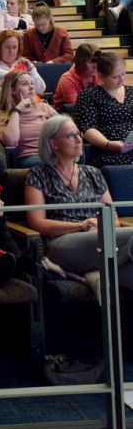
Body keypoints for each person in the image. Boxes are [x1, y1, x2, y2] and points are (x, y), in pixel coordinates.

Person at [25, 116, 133, 296]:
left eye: (78, 134)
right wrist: (81, 225)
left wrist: (98, 224)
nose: (79, 139)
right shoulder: (38, 175)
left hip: (98, 241)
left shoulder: (93, 173)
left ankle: (96, 278)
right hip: (61, 245)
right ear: (53, 144)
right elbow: (37, 223)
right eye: (70, 136)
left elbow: (114, 220)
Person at [73, 51, 133, 168]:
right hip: (109, 151)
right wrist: (108, 144)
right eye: (115, 76)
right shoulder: (89, 96)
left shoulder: (131, 91)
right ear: (101, 75)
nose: (121, 80)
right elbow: (87, 128)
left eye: (123, 74)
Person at [0, 70, 57, 168]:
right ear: (12, 90)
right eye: (25, 84)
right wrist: (17, 111)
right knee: (54, 163)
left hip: (53, 152)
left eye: (32, 83)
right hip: (28, 157)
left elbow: (64, 128)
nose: (31, 87)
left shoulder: (44, 107)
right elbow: (11, 143)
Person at [0, 30, 46, 101]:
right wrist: (10, 75)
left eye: (15, 47)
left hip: (25, 103)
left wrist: (31, 70)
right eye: (7, 47)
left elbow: (40, 90)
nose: (11, 51)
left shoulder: (24, 63)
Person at [53, 43, 99, 111]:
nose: (95, 67)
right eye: (90, 62)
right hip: (67, 114)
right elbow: (78, 108)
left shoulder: (99, 74)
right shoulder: (67, 79)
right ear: (80, 62)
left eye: (97, 62)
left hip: (91, 111)